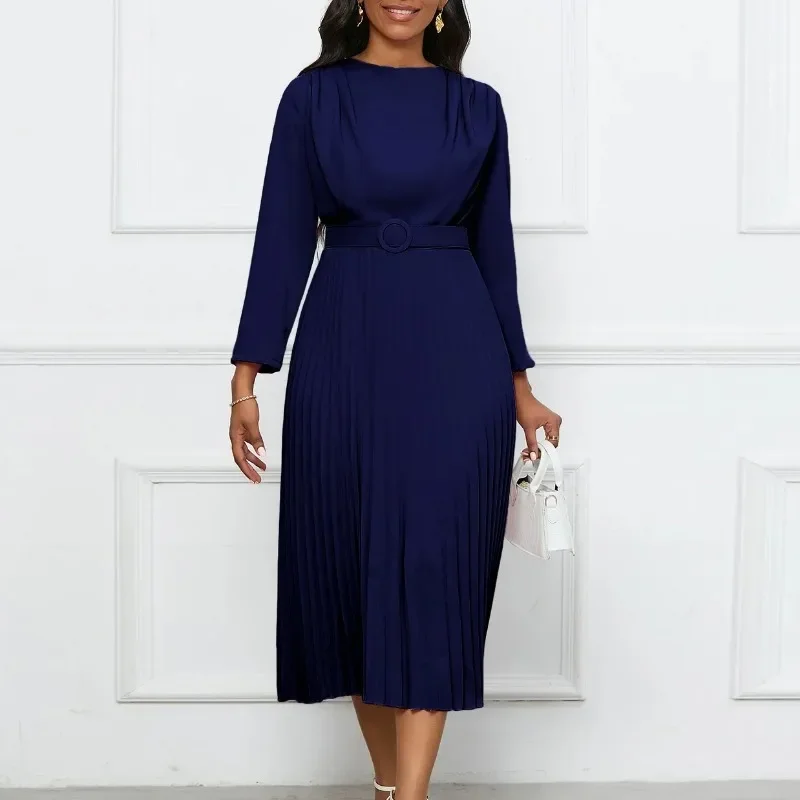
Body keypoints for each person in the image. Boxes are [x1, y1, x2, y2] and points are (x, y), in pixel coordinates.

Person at [229, 2, 562, 798]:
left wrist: (520, 385)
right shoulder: (313, 98)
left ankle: (411, 795)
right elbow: (281, 235)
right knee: (353, 576)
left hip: (458, 355)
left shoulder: (477, 107)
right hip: (343, 347)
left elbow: (496, 249)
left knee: (434, 571)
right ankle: (390, 787)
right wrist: (246, 377)